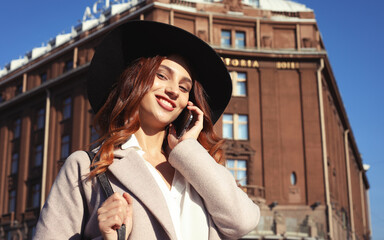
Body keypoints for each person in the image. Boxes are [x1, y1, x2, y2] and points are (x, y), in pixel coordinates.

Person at [34, 20, 260, 240]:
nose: (173, 90)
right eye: (162, 75)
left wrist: (189, 150)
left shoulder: (197, 168)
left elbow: (243, 221)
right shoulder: (85, 167)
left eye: (184, 88)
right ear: (134, 81)